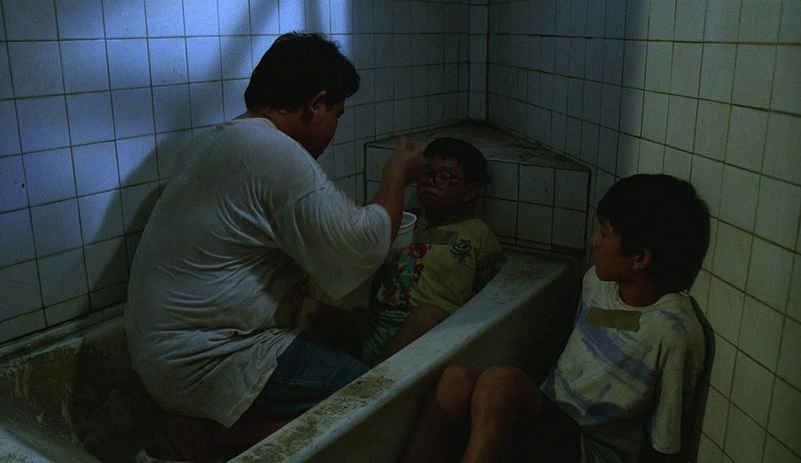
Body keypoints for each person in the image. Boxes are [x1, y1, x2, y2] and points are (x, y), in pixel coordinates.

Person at [124, 32, 425, 463]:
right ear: (315, 104)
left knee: (337, 327)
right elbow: (358, 246)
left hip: (166, 356)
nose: (336, 128)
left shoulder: (226, 138)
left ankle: (213, 433)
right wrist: (396, 175)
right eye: (337, 113)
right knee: (372, 399)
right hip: (210, 362)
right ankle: (212, 441)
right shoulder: (270, 151)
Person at [404, 174, 711, 463]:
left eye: (604, 234)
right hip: (554, 420)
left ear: (639, 258)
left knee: (500, 384)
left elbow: (666, 441)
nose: (593, 241)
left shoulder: (674, 331)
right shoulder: (597, 283)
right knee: (456, 380)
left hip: (592, 450)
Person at [358, 137, 505, 365]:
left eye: (444, 176)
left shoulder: (476, 232)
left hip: (431, 331)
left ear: (469, 191)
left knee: (424, 317)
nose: (430, 182)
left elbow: (495, 294)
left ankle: (369, 381)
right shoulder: (406, 220)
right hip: (380, 320)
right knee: (313, 311)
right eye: (426, 173)